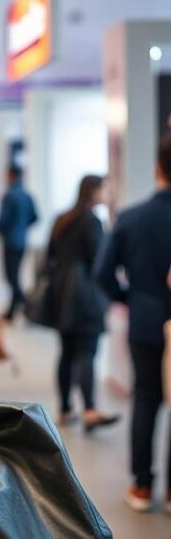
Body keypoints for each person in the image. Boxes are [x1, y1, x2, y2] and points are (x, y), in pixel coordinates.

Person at [96, 136, 171, 512]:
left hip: (146, 321)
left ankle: (142, 486)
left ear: (158, 167)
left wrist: (132, 298)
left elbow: (103, 273)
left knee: (146, 399)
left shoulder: (132, 217)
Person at [46, 175, 119, 431]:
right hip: (85, 296)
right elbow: (99, 262)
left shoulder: (61, 220)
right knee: (87, 351)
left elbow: (49, 257)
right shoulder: (92, 221)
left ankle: (65, 408)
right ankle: (89, 408)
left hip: (61, 295)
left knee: (66, 352)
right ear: (93, 192)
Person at [0, 166, 38, 321]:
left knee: (11, 276)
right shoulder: (27, 195)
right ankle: (12, 311)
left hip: (11, 241)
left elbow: (3, 219)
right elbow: (35, 217)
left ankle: (27, 303)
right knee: (15, 275)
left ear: (10, 175)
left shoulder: (10, 195)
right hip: (22, 240)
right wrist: (23, 226)